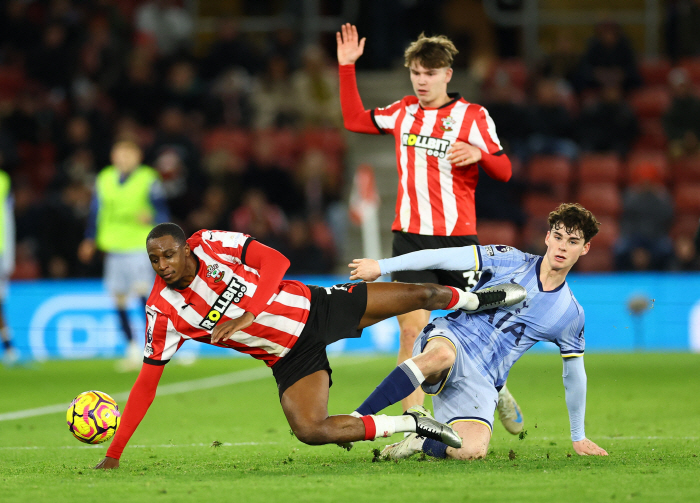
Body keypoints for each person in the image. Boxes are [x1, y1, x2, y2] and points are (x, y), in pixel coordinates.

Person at [93, 223, 524, 469]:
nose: (163, 266)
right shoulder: (162, 312)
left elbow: (275, 261)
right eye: (155, 260)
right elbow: (148, 384)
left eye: (169, 255)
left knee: (419, 296)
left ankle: (476, 299)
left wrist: (247, 315)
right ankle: (413, 426)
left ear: (185, 248)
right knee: (309, 429)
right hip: (289, 358)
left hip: (316, 307)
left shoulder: (211, 244)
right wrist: (113, 454)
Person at [336, 24, 524, 433]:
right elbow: (354, 119)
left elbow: (505, 169)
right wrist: (347, 68)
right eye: (416, 73)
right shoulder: (403, 112)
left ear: (447, 75)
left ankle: (498, 385)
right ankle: (414, 420)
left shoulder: (472, 117)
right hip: (409, 237)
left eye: (430, 74)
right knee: (412, 327)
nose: (422, 81)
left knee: (471, 333)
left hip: (458, 242)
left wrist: (477, 153)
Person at [347, 203, 609, 460]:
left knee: (471, 450)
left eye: (573, 241)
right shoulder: (509, 258)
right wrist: (382, 266)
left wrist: (578, 435)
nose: (562, 246)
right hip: (453, 337)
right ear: (547, 237)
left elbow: (574, 375)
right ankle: (357, 420)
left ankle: (419, 440)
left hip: (483, 377)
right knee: (441, 357)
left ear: (585, 248)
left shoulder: (570, 314)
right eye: (558, 236)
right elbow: (441, 257)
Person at [78, 140, 170, 371]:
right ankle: (130, 347)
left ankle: (155, 346)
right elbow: (96, 211)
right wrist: (90, 239)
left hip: (139, 246)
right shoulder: (105, 178)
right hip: (113, 247)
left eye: (129, 154)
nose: (124, 158)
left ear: (138, 156)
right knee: (118, 298)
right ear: (112, 156)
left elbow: (162, 209)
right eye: (120, 153)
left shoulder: (148, 178)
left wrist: (152, 217)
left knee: (143, 295)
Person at [0, 168, 17, 366]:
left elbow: (7, 220)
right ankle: (9, 347)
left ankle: (9, 347)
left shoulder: (2, 181)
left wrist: (8, 258)